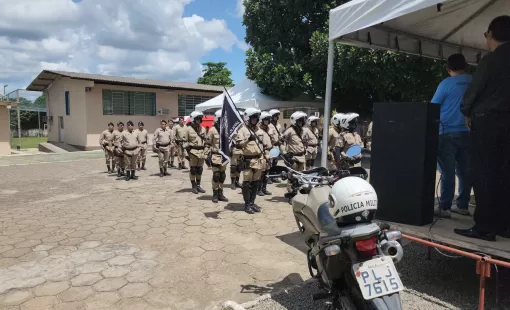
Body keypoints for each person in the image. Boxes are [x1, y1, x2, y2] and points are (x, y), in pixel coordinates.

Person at [455, 15, 510, 241]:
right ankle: (504, 225)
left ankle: (484, 227)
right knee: (506, 173)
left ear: (490, 34)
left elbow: (473, 93)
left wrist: (466, 112)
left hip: (488, 121)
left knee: (484, 172)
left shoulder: (491, 60)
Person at [430, 53, 473, 218]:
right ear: (466, 66)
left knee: (447, 171)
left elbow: (433, 106)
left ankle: (445, 207)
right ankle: (462, 205)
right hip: (469, 132)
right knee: (465, 170)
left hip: (446, 132)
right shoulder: (474, 81)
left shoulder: (446, 83)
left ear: (448, 68)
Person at [235, 108, 264, 214]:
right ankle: (247, 205)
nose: (255, 120)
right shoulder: (242, 130)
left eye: (256, 118)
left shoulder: (260, 131)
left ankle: (252, 203)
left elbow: (263, 145)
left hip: (259, 160)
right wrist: (248, 139)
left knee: (256, 183)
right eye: (253, 118)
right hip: (248, 160)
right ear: (248, 118)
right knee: (247, 184)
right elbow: (238, 145)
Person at [207, 110, 229, 203]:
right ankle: (215, 194)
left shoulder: (226, 129)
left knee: (222, 176)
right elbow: (207, 144)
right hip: (215, 155)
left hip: (223, 156)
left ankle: (221, 193)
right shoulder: (212, 130)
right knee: (216, 175)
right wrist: (207, 156)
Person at [184, 111, 207, 194]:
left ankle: (198, 185)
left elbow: (205, 141)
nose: (199, 120)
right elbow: (184, 142)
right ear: (193, 119)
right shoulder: (188, 129)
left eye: (200, 119)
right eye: (197, 118)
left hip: (201, 152)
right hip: (192, 152)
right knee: (193, 169)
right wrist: (186, 153)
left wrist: (206, 152)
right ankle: (193, 186)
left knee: (199, 169)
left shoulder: (203, 129)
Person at [257, 111, 274, 196]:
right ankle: (259, 189)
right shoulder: (259, 131)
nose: (267, 121)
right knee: (262, 172)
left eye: (268, 120)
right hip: (263, 153)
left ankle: (264, 188)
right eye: (265, 120)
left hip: (269, 152)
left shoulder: (269, 130)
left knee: (267, 171)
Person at [229, 112, 244, 190]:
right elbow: (229, 139)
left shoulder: (243, 128)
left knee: (239, 168)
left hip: (242, 150)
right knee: (233, 167)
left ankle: (237, 182)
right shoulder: (232, 127)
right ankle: (232, 183)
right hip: (234, 150)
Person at [268, 109, 283, 183]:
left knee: (275, 162)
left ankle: (274, 176)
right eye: (275, 116)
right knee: (270, 162)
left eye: (277, 116)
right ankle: (269, 177)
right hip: (271, 146)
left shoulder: (278, 125)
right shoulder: (269, 125)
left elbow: (279, 134)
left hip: (277, 146)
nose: (277, 117)